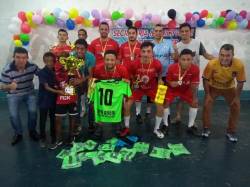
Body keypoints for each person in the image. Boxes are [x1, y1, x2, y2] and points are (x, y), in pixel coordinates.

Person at [202, 44, 246, 142]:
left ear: (232, 55)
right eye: (222, 55)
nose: (224, 58)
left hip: (229, 88)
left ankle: (231, 131)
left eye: (227, 55)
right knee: (206, 104)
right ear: (219, 54)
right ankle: (206, 128)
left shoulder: (239, 65)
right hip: (213, 87)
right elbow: (205, 79)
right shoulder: (212, 64)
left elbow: (240, 82)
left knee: (236, 106)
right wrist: (207, 94)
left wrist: (237, 97)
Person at [172, 22, 214, 124]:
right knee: (179, 98)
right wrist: (175, 51)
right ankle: (178, 116)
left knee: (193, 98)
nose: (184, 33)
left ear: (190, 32)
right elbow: (175, 60)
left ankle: (192, 121)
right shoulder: (177, 45)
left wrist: (218, 59)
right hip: (180, 76)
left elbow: (206, 55)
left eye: (187, 31)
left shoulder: (197, 43)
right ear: (179, 33)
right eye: (182, 31)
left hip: (193, 76)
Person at [123, 41, 164, 138]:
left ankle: (156, 129)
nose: (146, 54)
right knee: (126, 106)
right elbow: (131, 74)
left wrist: (160, 80)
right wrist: (133, 82)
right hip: (138, 88)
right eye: (144, 51)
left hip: (152, 88)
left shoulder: (157, 64)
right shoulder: (134, 64)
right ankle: (126, 127)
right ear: (140, 52)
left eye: (149, 51)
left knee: (160, 106)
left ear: (152, 53)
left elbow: (159, 74)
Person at [0, 47, 39, 145]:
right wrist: (9, 86)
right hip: (14, 94)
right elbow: (1, 86)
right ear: (13, 57)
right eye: (18, 57)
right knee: (13, 115)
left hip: (29, 92)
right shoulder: (7, 70)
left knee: (33, 112)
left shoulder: (32, 66)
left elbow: (43, 74)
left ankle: (32, 131)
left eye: (24, 58)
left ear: (27, 58)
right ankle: (18, 133)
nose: (21, 60)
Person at [158, 49, 200, 137]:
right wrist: (171, 83)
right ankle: (165, 124)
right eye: (183, 59)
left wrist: (193, 96)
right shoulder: (172, 67)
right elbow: (168, 81)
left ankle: (191, 125)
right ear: (179, 59)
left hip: (186, 89)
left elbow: (194, 86)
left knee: (195, 102)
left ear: (192, 59)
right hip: (173, 89)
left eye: (189, 59)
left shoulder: (195, 69)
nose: (186, 62)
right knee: (164, 101)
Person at [92, 50, 129, 138]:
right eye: (107, 60)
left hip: (117, 94)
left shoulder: (122, 69)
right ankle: (99, 127)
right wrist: (92, 95)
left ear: (116, 60)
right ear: (104, 60)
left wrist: (125, 82)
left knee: (122, 104)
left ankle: (118, 125)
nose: (109, 62)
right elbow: (93, 82)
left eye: (112, 60)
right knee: (94, 105)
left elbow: (128, 83)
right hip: (102, 94)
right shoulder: (98, 68)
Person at [37, 52, 64, 148]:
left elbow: (60, 82)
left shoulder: (56, 71)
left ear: (54, 61)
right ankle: (42, 138)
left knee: (53, 119)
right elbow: (46, 87)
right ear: (44, 61)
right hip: (44, 99)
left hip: (53, 100)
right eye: (47, 61)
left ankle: (53, 137)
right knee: (43, 120)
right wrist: (59, 91)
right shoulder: (41, 72)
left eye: (51, 61)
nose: (49, 63)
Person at [72, 39, 96, 133]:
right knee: (75, 102)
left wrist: (81, 81)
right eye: (77, 48)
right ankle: (77, 124)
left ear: (86, 50)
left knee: (91, 103)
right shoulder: (72, 56)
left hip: (89, 80)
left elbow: (90, 75)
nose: (79, 51)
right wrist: (75, 82)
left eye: (82, 49)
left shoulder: (91, 57)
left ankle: (91, 124)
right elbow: (72, 72)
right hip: (77, 79)